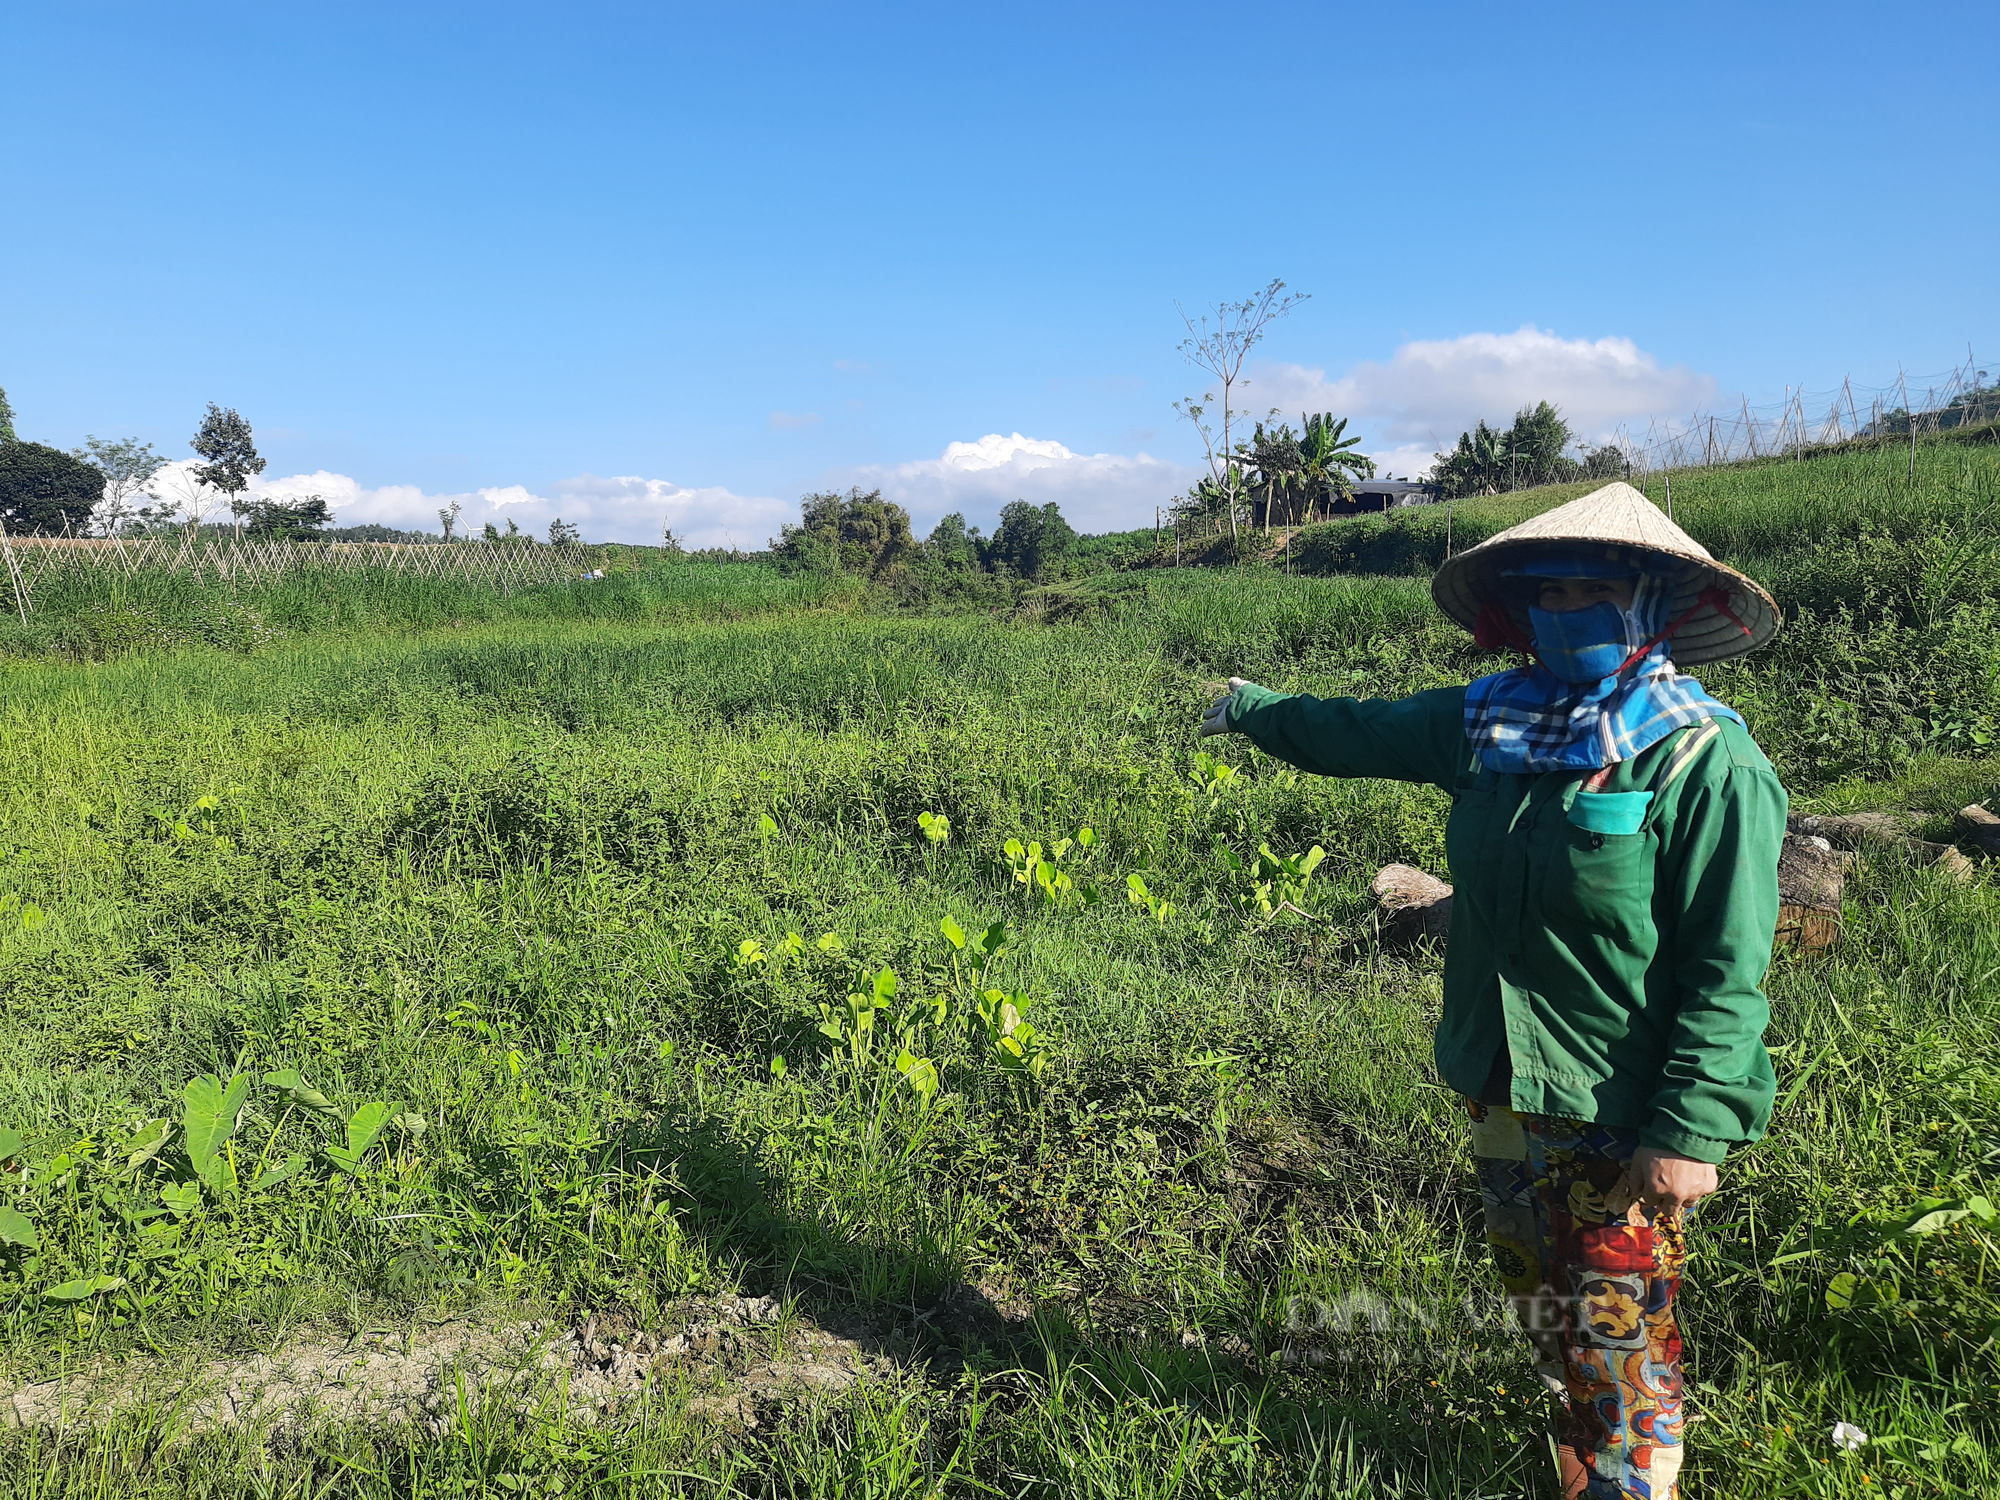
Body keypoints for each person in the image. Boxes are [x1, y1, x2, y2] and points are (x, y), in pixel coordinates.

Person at [1199, 482, 1786, 1500]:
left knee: (1619, 1328)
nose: (1566, 611)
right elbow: (1358, 731)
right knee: (1537, 1300)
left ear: (1647, 602)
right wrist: (1253, 711)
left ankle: (1627, 1481)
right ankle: (1573, 1457)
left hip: (1616, 1106)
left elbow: (1722, 963)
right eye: (1547, 591)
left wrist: (1690, 1127)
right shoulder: (1490, 725)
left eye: (1592, 589)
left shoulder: (1701, 758)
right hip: (1500, 1082)